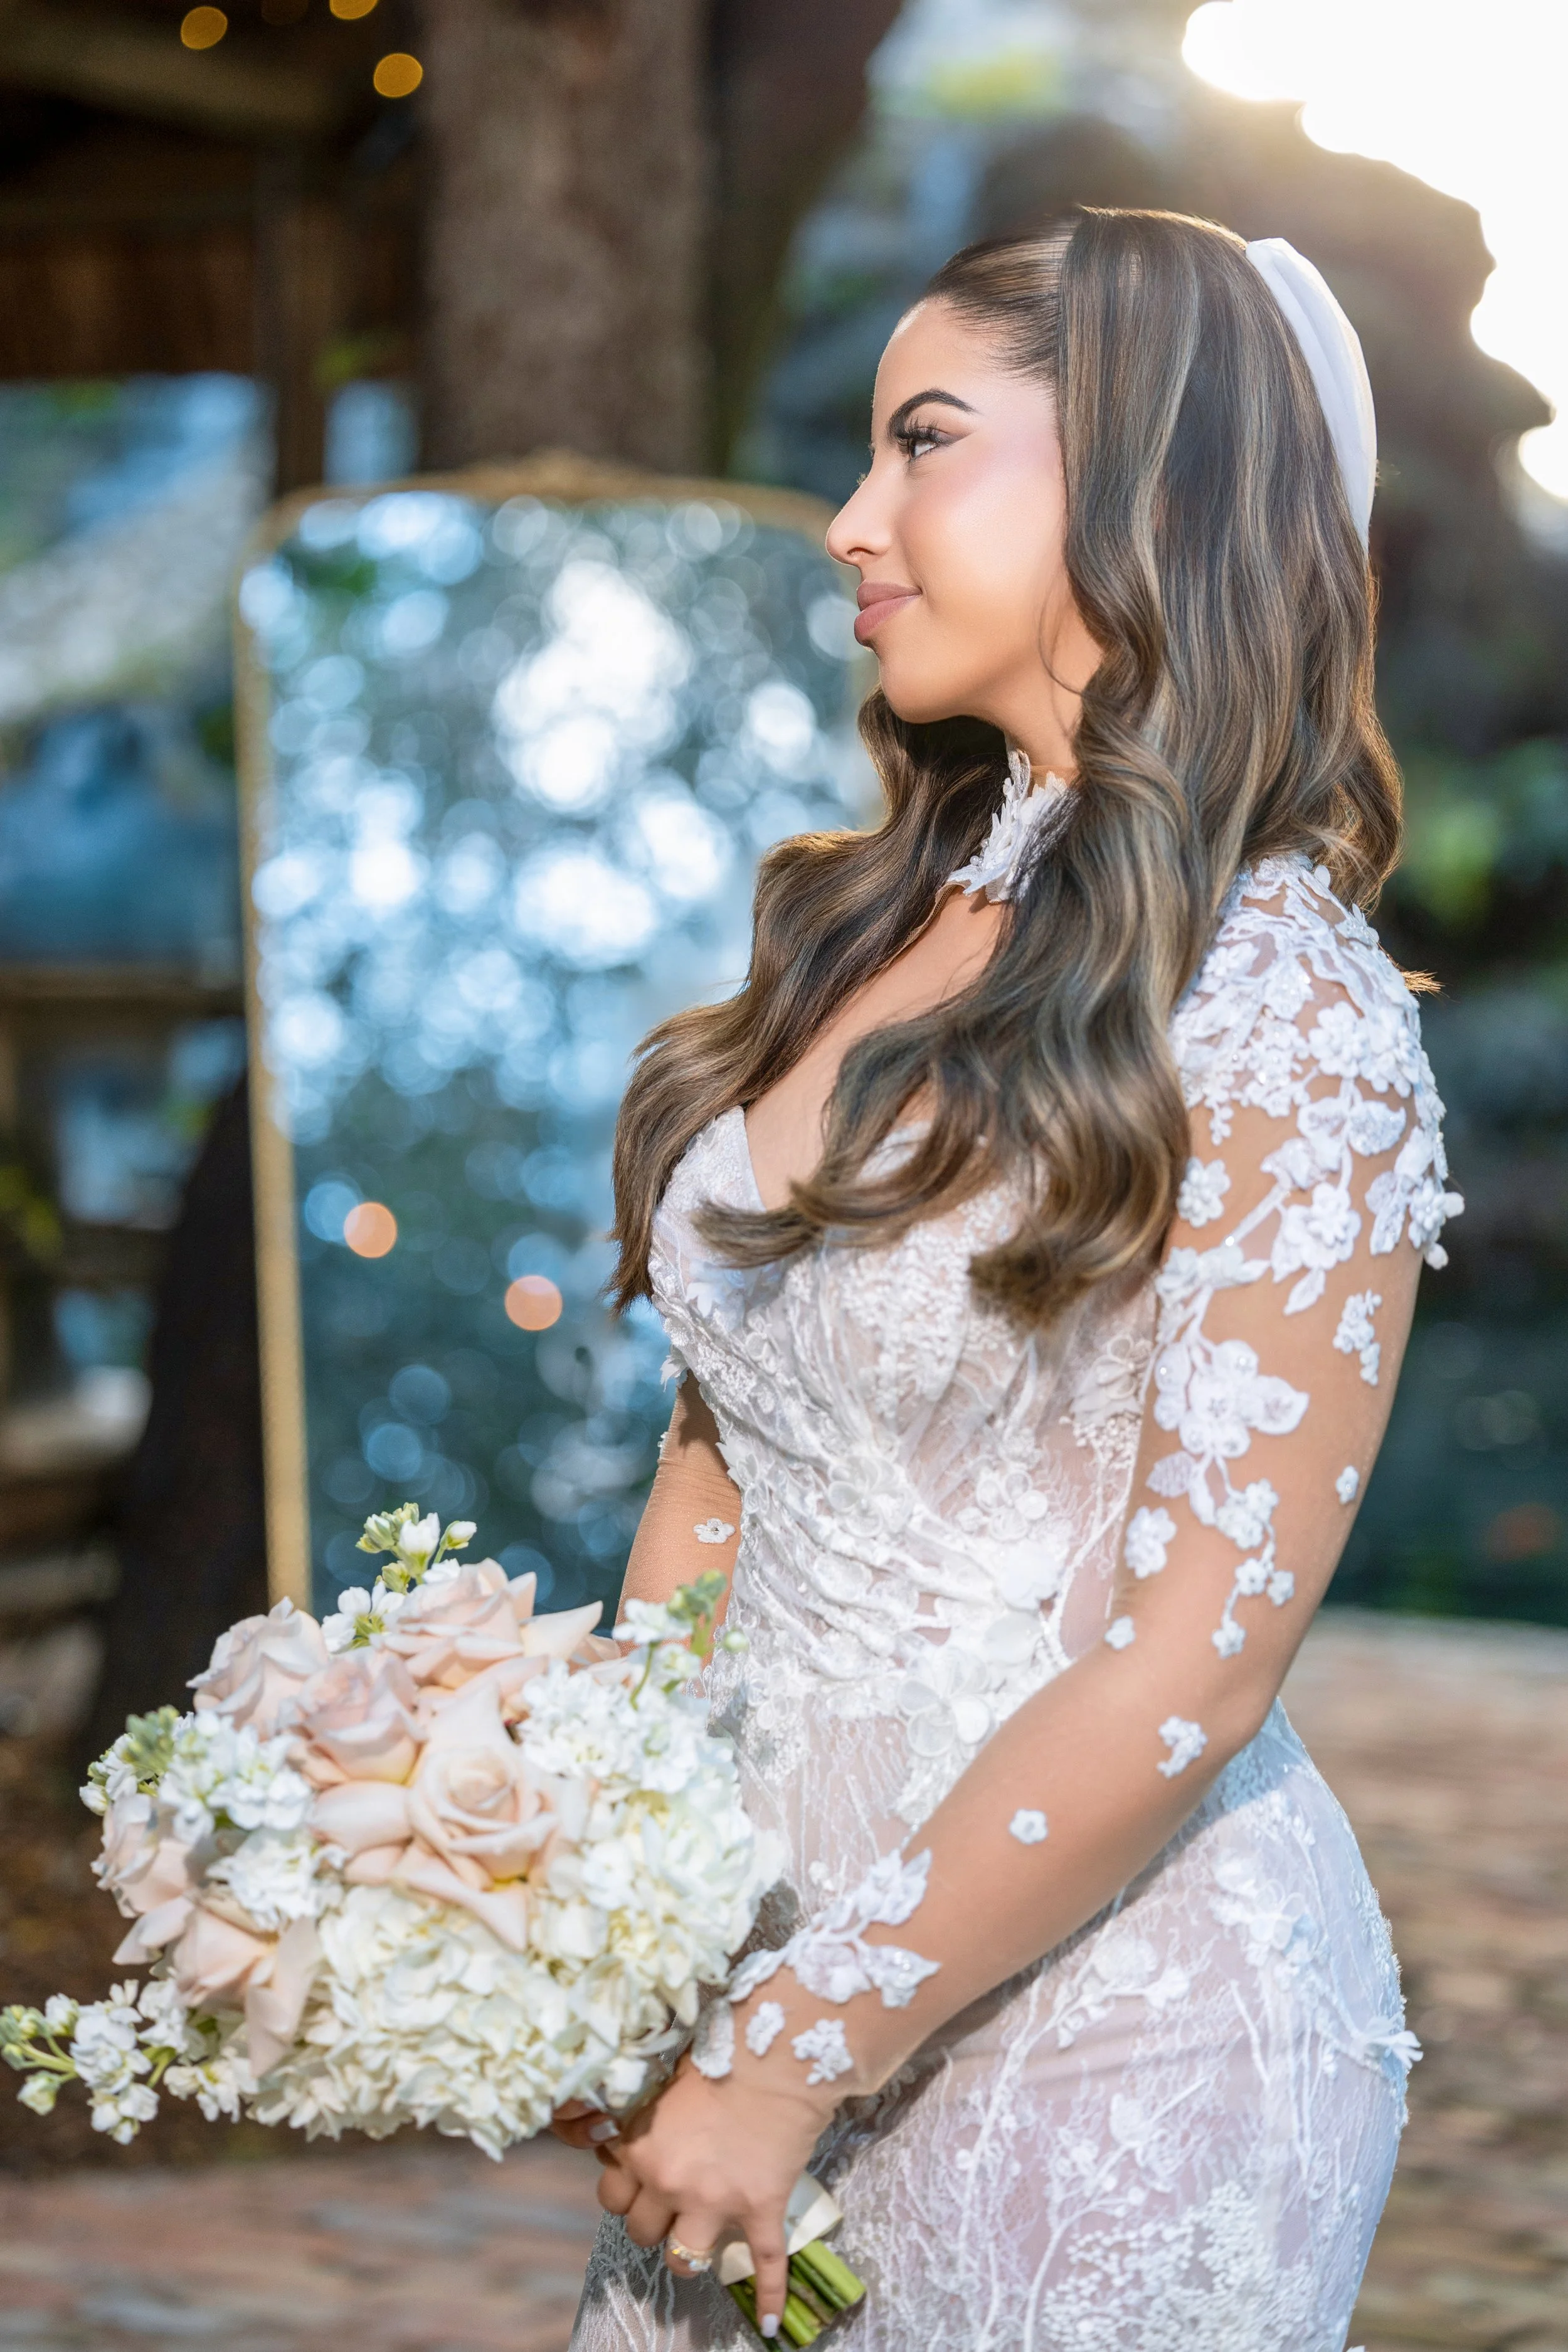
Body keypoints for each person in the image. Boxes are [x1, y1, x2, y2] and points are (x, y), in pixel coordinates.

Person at [560, 208, 1460, 2350]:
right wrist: (596, 1895)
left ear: (1141, 476)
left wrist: (797, 2047)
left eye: (925, 443)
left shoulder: (1277, 1004)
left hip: (1118, 2040)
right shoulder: (858, 929)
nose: (854, 520)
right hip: (748, 1999)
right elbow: (721, 1455)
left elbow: (1192, 1664)